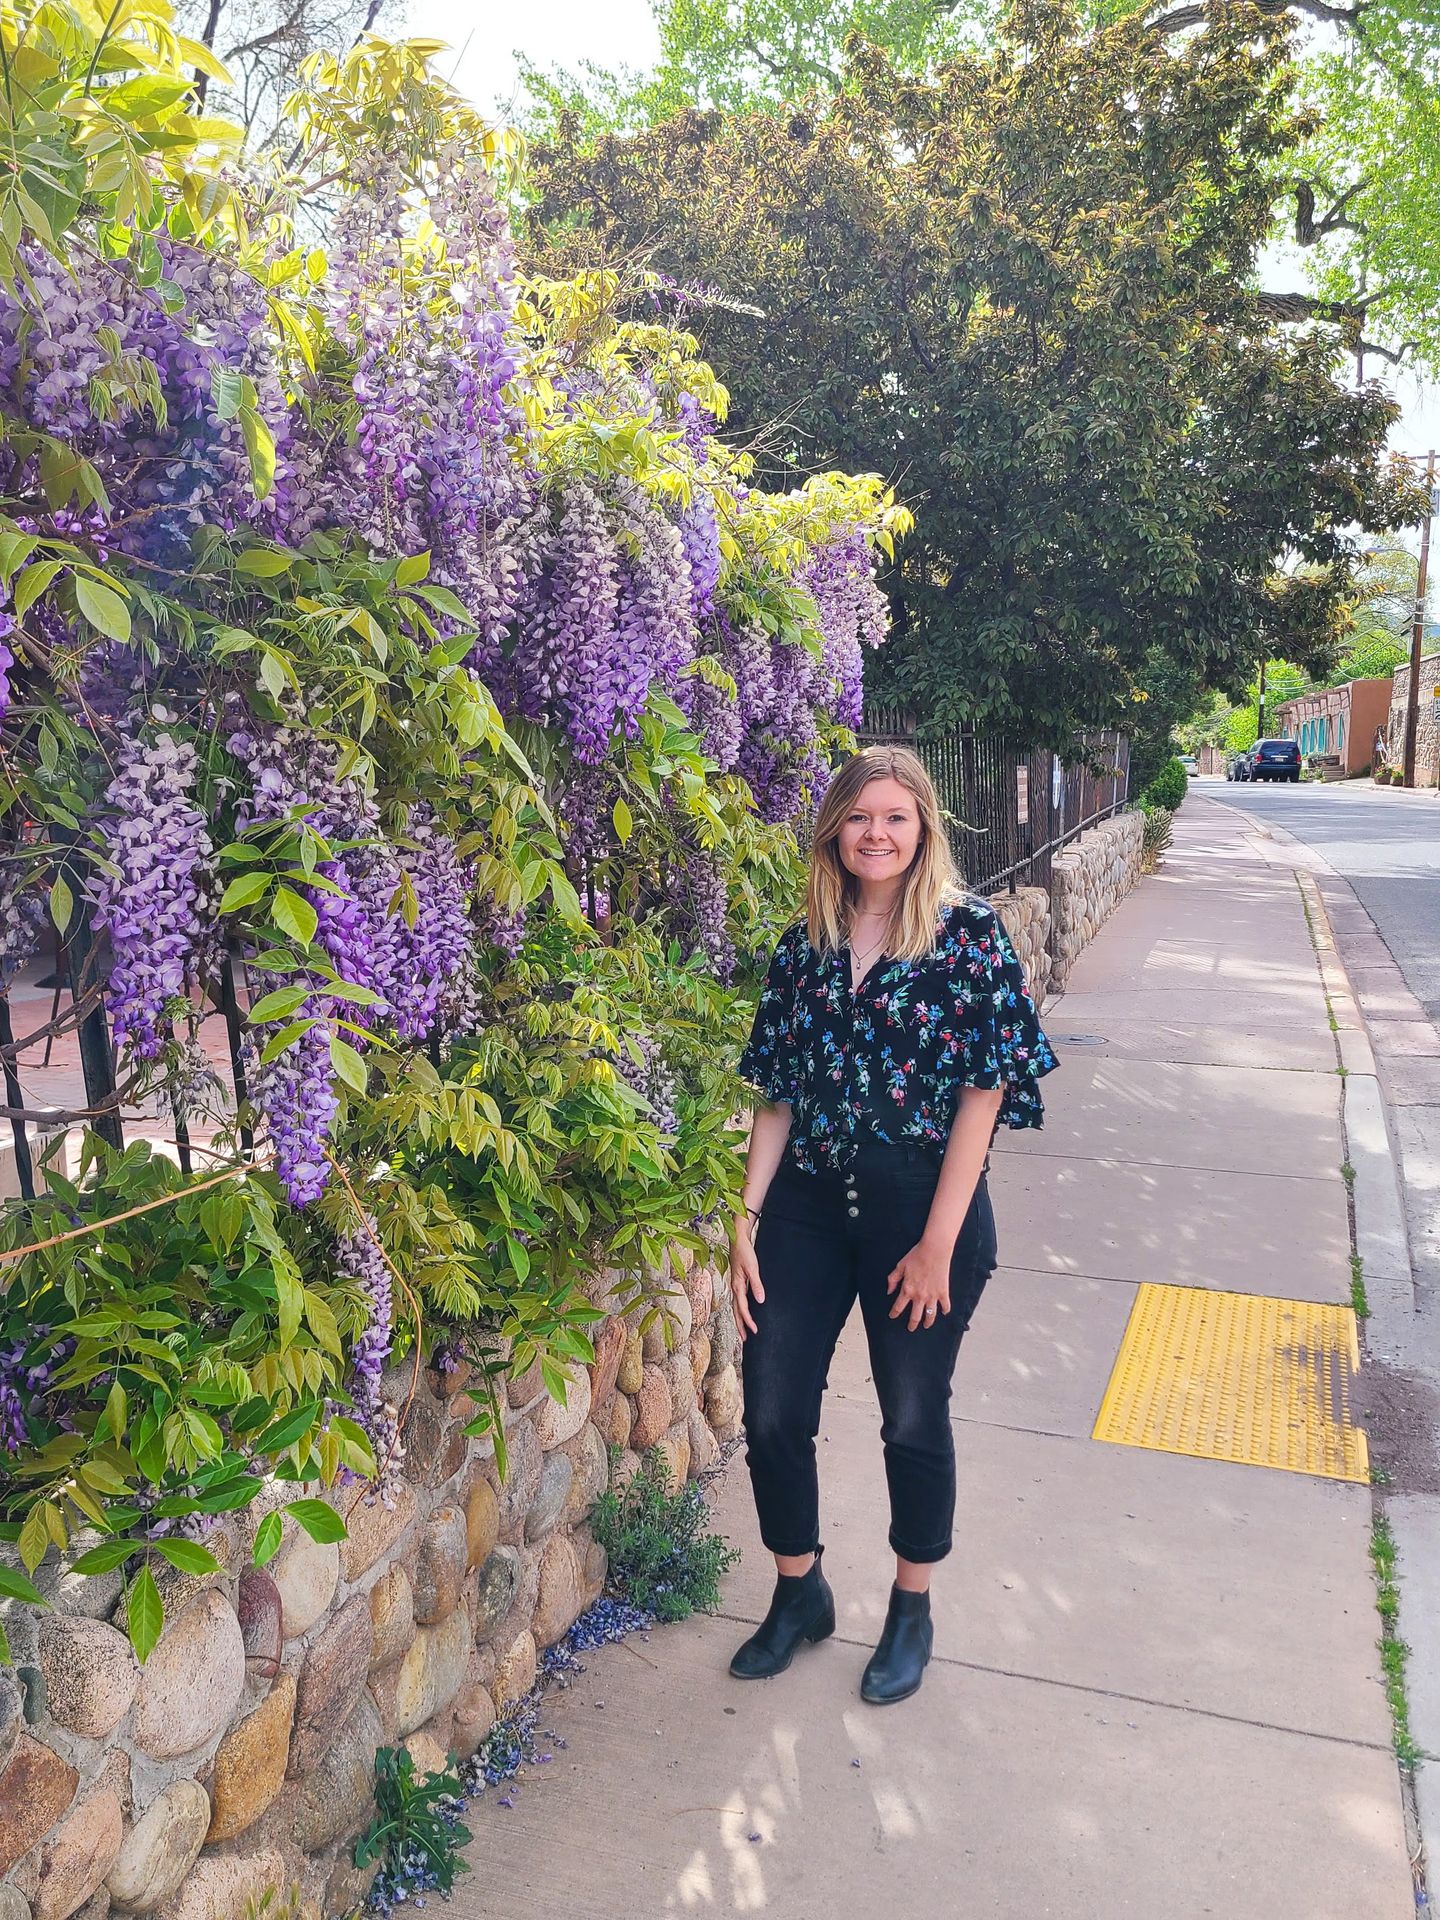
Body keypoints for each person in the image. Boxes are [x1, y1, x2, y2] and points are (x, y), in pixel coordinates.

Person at [727, 745, 1058, 1705]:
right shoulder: (805, 943)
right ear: (836, 827)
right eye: (861, 817)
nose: (877, 834)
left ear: (923, 829)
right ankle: (799, 1591)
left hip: (920, 1206)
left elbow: (984, 1094)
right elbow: (777, 1094)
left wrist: (937, 1244)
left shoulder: (967, 934)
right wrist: (745, 1218)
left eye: (896, 818)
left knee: (911, 1414)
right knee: (771, 1407)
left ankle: (912, 1608)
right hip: (806, 1204)